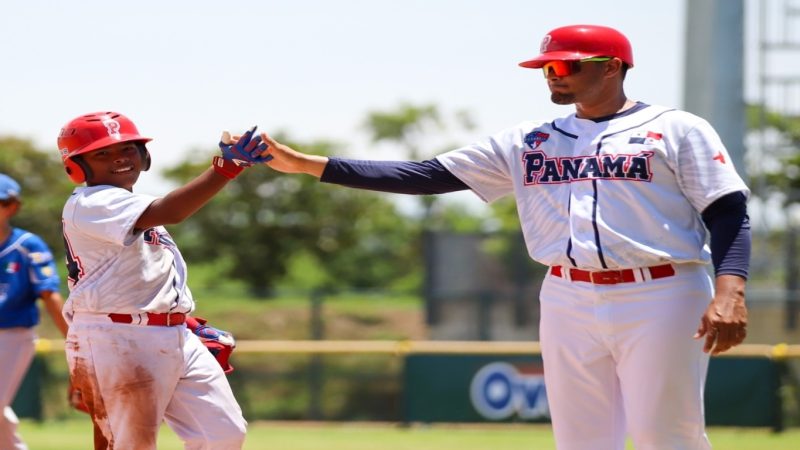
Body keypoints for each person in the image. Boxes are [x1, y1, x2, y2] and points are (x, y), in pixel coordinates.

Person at [258, 24, 750, 450]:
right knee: (581, 438)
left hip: (660, 292)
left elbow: (727, 210)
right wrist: (306, 165)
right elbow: (426, 175)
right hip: (566, 293)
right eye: (548, 69)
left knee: (667, 435)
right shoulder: (529, 138)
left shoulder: (677, 128)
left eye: (566, 67)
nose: (554, 76)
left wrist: (731, 291)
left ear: (612, 67)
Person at [57, 111, 268, 450]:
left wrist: (181, 318)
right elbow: (172, 210)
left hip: (172, 333)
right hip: (116, 337)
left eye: (127, 149)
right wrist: (226, 169)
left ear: (144, 155)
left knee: (222, 434)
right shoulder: (91, 203)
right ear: (77, 166)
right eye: (103, 154)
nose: (120, 159)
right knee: (129, 444)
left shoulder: (133, 205)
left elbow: (144, 272)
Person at [0, 173, 69, 450]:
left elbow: (49, 295)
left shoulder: (27, 245)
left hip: (12, 336)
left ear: (13, 206)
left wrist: (73, 340)